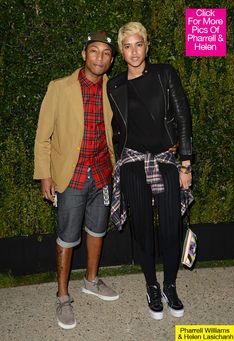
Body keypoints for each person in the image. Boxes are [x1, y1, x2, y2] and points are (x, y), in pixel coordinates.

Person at [34, 30, 119, 330]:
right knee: (67, 236)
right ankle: (62, 296)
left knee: (97, 230)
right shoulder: (59, 88)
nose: (100, 58)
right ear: (84, 54)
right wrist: (45, 174)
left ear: (111, 60)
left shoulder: (113, 88)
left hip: (102, 173)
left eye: (106, 53)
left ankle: (91, 281)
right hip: (70, 175)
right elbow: (43, 137)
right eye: (94, 51)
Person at [107, 22, 192, 320]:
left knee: (171, 227)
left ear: (147, 45)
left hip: (166, 161)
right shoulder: (114, 85)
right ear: (121, 50)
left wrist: (185, 163)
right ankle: (151, 286)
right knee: (142, 229)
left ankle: (170, 285)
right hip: (132, 162)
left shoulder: (165, 73)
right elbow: (117, 130)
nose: (134, 51)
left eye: (138, 44)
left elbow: (183, 116)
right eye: (127, 46)